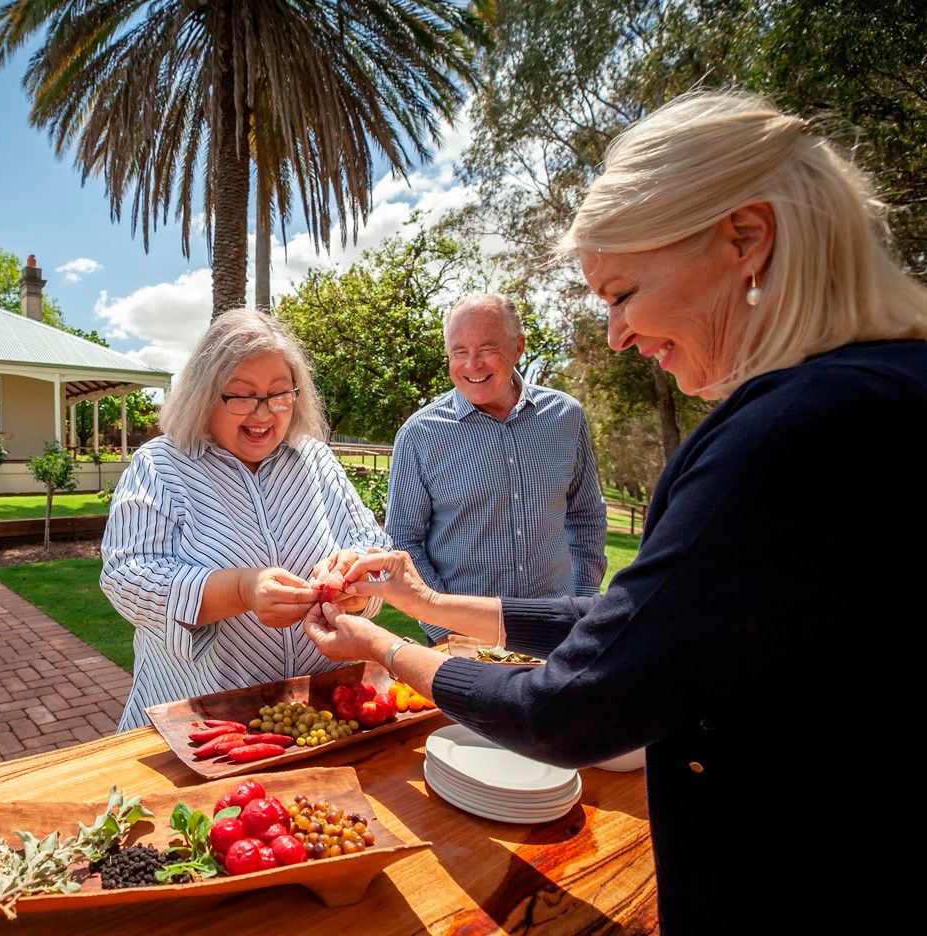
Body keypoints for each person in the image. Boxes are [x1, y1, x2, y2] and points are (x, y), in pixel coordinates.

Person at [303, 91, 927, 932]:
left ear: (746, 238)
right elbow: (660, 622)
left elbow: (570, 709)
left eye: (624, 290)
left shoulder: (799, 431)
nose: (615, 334)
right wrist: (424, 606)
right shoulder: (887, 392)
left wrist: (379, 645)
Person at [101, 308, 388, 730]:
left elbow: (369, 546)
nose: (263, 413)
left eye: (279, 394)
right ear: (204, 395)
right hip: (203, 722)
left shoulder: (314, 458)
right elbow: (127, 577)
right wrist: (241, 589)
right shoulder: (161, 466)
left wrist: (356, 586)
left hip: (319, 714)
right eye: (241, 395)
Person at [387, 293, 607, 645]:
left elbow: (586, 515)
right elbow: (402, 540)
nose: (472, 364)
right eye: (459, 351)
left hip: (557, 635)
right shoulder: (419, 435)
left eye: (487, 348)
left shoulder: (566, 416)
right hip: (465, 640)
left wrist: (580, 603)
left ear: (517, 346)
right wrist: (446, 631)